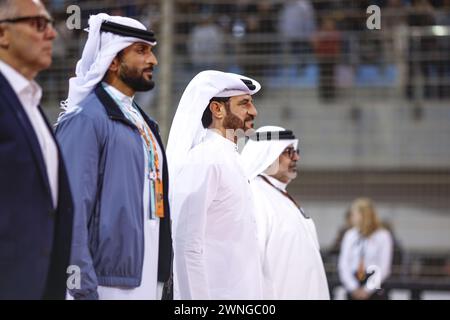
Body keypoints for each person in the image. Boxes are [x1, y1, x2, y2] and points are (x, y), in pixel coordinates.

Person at [55, 13, 172, 300]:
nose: (153, 60)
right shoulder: (86, 120)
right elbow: (70, 211)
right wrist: (81, 286)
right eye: (141, 51)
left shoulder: (143, 121)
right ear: (113, 61)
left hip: (143, 276)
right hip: (103, 282)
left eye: (152, 51)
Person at [167, 70, 263, 299]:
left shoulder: (231, 158)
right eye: (245, 103)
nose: (254, 111)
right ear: (217, 109)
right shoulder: (204, 159)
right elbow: (187, 244)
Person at [0, 0, 73, 299]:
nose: (52, 34)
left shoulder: (30, 103)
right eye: (38, 24)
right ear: (3, 34)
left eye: (51, 24)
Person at [241, 126, 329, 300]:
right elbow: (248, 265)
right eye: (288, 151)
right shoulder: (254, 197)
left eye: (295, 151)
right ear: (268, 155)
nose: (296, 157)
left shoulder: (277, 195)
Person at [338, 198, 393, 300]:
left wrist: (367, 290)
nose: (352, 217)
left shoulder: (383, 235)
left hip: (374, 284)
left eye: (354, 214)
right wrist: (353, 287)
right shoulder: (350, 235)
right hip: (354, 282)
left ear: (364, 215)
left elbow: (384, 267)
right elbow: (344, 264)